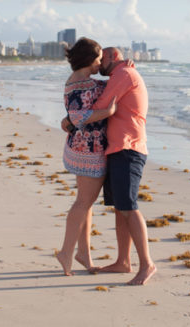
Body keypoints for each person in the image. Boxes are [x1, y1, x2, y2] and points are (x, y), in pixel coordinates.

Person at [63, 47, 156, 285]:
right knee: (120, 207)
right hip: (115, 148)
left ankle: (147, 264)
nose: (99, 64)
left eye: (101, 59)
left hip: (128, 148)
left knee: (129, 206)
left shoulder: (123, 74)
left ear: (113, 58)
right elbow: (91, 102)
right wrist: (72, 118)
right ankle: (123, 261)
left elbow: (101, 104)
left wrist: (73, 120)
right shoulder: (120, 75)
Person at [56, 38, 117, 276]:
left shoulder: (83, 82)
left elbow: (73, 117)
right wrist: (107, 112)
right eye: (99, 59)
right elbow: (78, 116)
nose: (101, 63)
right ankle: (66, 252)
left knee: (86, 203)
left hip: (84, 147)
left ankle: (84, 254)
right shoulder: (78, 85)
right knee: (83, 203)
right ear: (90, 60)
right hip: (87, 150)